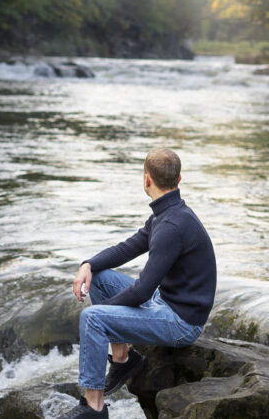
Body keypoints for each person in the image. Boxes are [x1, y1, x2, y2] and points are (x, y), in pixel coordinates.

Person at [62, 148, 217, 419]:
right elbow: (128, 248)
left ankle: (94, 408)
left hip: (182, 323)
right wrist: (88, 264)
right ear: (179, 179)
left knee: (93, 319)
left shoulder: (172, 226)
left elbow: (143, 290)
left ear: (146, 179)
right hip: (167, 303)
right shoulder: (167, 214)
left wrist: (104, 315)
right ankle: (122, 360)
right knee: (99, 277)